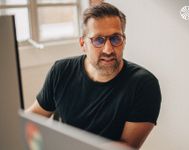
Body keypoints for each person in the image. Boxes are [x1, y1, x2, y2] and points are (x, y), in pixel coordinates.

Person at [27, 2, 161, 149]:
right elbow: (33, 117)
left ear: (124, 41)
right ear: (82, 44)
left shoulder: (144, 84)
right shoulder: (61, 71)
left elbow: (127, 146)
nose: (108, 49)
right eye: (98, 40)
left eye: (115, 38)